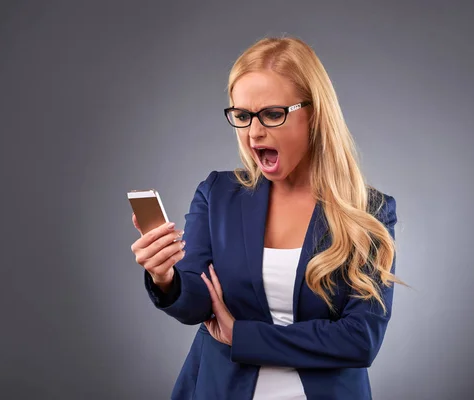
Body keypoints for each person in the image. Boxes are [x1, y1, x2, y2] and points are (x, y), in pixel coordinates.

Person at [130, 36, 402, 400]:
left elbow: (359, 340)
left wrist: (242, 336)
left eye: (273, 114)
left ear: (314, 114)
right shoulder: (218, 194)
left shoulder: (368, 211)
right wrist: (165, 278)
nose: (254, 132)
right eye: (242, 116)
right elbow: (197, 302)